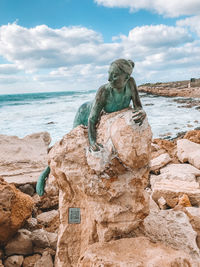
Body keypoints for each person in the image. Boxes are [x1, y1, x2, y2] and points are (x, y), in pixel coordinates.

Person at [36, 59, 146, 195]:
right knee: (67, 147)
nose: (109, 78)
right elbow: (92, 119)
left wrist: (141, 112)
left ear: (127, 77)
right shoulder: (103, 91)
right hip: (85, 112)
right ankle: (46, 172)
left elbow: (138, 106)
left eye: (115, 75)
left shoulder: (131, 83)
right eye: (109, 73)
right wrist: (92, 141)